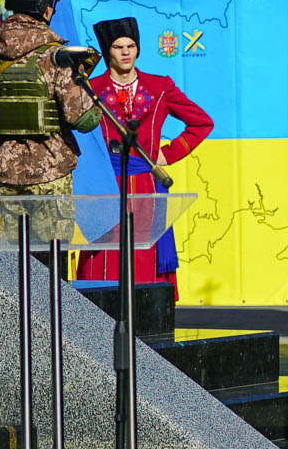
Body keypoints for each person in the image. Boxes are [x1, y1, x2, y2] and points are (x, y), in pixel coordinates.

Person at [76, 17, 215, 288]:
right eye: (118, 47)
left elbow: (202, 122)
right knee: (104, 259)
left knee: (144, 257)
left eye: (131, 46)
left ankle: (144, 325)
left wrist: (165, 154)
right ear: (107, 51)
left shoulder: (159, 87)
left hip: (146, 185)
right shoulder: (90, 90)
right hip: (105, 187)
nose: (126, 52)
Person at [0, 0, 99, 223]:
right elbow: (85, 120)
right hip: (52, 178)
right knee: (53, 258)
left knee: (16, 259)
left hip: (7, 178)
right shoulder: (57, 57)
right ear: (45, 7)